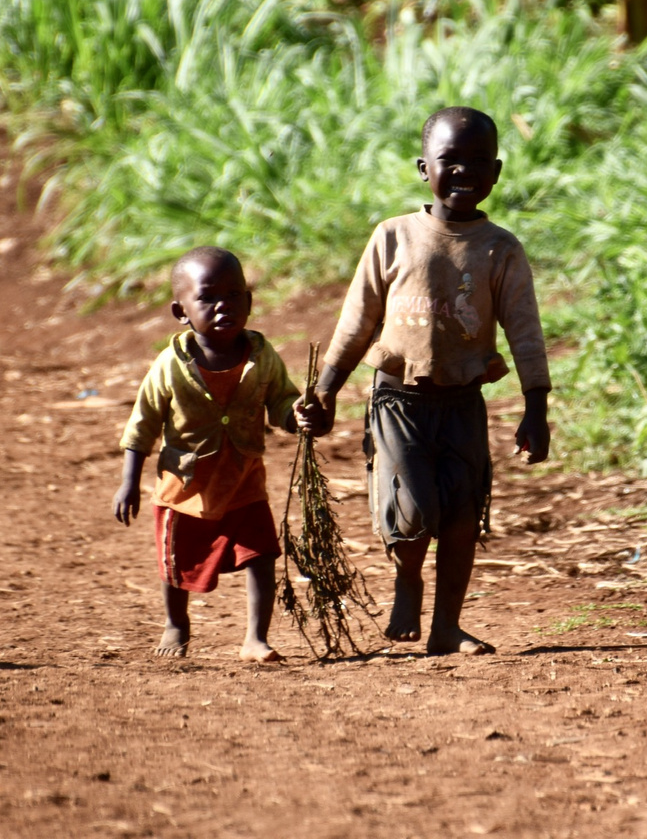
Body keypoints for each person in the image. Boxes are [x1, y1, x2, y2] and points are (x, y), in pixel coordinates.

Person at [296, 106, 551, 656]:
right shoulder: (394, 237)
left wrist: (536, 405)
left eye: (478, 162)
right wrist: (325, 391)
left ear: (497, 172)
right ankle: (407, 579)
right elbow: (357, 321)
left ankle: (446, 627)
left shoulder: (499, 249)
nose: (463, 172)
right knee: (411, 513)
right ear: (423, 168)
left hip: (463, 402)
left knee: (461, 519)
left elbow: (525, 331)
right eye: (449, 161)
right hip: (398, 402)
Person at [114, 246, 299, 662]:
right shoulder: (169, 365)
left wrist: (298, 416)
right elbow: (142, 422)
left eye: (235, 295)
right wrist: (129, 482)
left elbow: (282, 401)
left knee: (262, 555)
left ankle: (255, 638)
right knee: (177, 562)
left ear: (249, 302)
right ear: (181, 311)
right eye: (208, 297)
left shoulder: (262, 356)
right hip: (186, 486)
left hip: (243, 476)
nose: (223, 306)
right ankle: (176, 625)